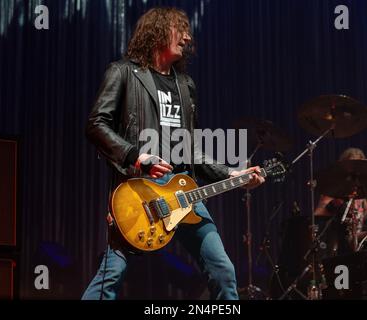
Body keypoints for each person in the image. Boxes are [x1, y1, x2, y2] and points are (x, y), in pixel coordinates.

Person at [81, 7, 265, 300]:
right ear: (158, 32)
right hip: (140, 191)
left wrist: (232, 173)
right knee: (111, 275)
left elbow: (190, 149)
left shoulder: (185, 85)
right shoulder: (124, 72)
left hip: (184, 188)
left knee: (223, 272)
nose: (188, 37)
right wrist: (137, 157)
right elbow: (96, 124)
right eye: (181, 30)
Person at [314, 148, 367, 255]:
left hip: (357, 243)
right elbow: (318, 216)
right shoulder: (333, 190)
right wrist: (334, 204)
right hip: (337, 245)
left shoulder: (361, 195)